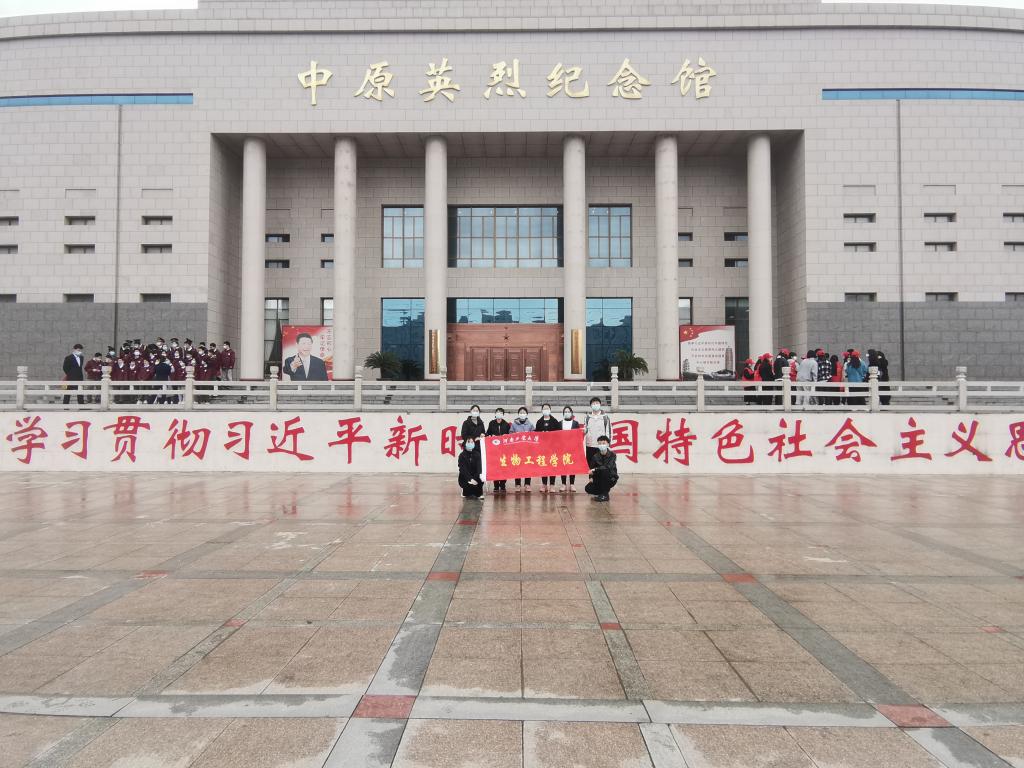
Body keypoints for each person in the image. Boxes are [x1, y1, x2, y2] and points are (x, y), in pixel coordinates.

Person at [534, 403, 560, 493]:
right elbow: (536, 434)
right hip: (543, 448)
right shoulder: (539, 422)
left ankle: (552, 485)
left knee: (552, 465)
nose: (546, 410)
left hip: (553, 447)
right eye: (544, 408)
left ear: (550, 410)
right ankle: (544, 484)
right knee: (544, 465)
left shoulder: (555, 421)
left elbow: (559, 434)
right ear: (542, 410)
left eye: (547, 408)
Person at [585, 435, 618, 501]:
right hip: (599, 478)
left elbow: (608, 467)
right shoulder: (595, 456)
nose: (601, 445)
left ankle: (605, 495)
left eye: (603, 443)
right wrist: (590, 477)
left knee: (605, 470)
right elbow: (591, 468)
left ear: (608, 444)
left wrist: (596, 469)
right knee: (588, 488)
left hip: (611, 478)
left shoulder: (612, 455)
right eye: (599, 443)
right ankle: (602, 492)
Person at [486, 408, 511, 493]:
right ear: (495, 414)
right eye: (497, 412)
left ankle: (503, 484)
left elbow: (510, 435)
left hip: (504, 449)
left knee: (504, 466)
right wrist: (490, 436)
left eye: (500, 412)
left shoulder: (506, 424)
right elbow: (488, 433)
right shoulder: (492, 423)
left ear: (503, 414)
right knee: (495, 466)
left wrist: (505, 436)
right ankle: (496, 485)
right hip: (494, 449)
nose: (499, 414)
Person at [583, 396, 612, 468]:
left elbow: (608, 431)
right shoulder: (587, 417)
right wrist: (584, 431)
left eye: (597, 403)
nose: (595, 405)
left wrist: (607, 444)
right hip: (590, 445)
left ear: (600, 404)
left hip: (601, 446)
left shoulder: (605, 417)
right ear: (591, 406)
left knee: (601, 466)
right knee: (591, 466)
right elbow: (585, 430)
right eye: (593, 403)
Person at [510, 407, 534, 492]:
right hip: (517, 449)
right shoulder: (514, 425)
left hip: (527, 449)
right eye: (521, 412)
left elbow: (534, 435)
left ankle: (527, 484)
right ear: (518, 414)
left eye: (524, 412)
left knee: (528, 466)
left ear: (526, 414)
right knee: (517, 466)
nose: (522, 414)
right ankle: (517, 484)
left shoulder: (530, 424)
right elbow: (510, 434)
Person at [558, 406, 581, 493]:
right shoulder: (560, 423)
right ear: (563, 413)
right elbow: (556, 436)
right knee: (563, 466)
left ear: (571, 413)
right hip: (562, 448)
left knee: (572, 466)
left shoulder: (575, 423)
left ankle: (572, 484)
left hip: (572, 448)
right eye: (565, 412)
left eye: (568, 411)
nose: (567, 413)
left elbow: (578, 436)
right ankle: (563, 484)